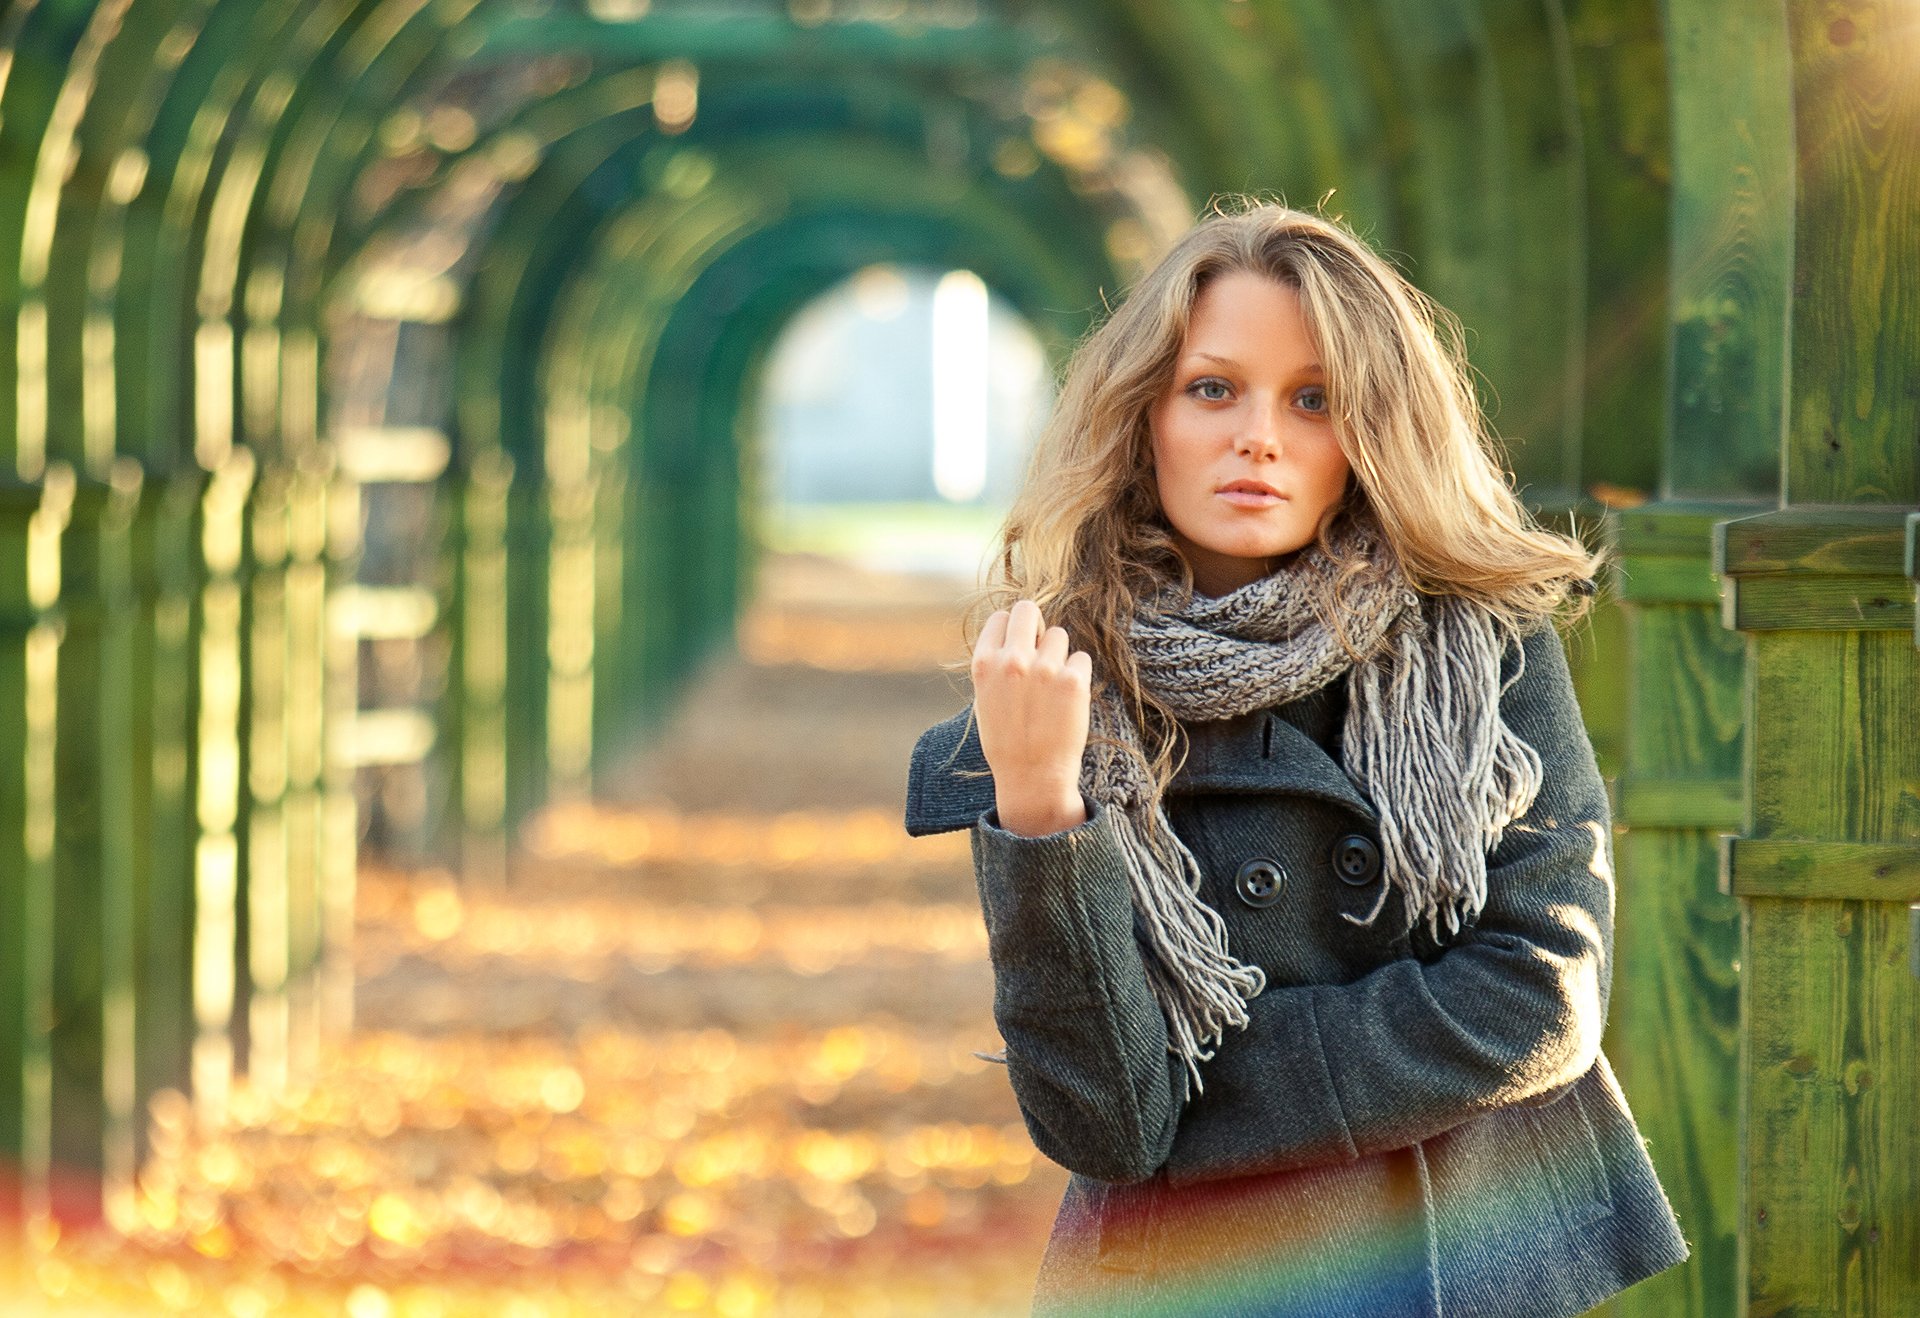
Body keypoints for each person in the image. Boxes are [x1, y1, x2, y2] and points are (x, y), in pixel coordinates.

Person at [902, 200, 1689, 1318]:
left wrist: (1190, 1095)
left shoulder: (1479, 653)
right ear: (1144, 418)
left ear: (1372, 431)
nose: (1258, 435)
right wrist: (1039, 808)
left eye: (1312, 399)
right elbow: (1102, 1123)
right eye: (1213, 389)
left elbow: (1541, 995)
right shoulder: (1071, 697)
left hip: (1458, 1266)